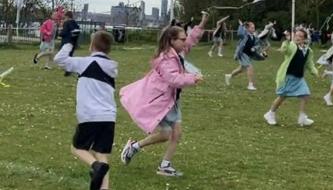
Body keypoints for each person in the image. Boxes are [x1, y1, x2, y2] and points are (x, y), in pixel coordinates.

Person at [119, 13, 208, 177]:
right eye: (181, 39)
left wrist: (201, 24)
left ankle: (156, 160)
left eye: (184, 38)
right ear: (171, 41)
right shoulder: (166, 59)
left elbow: (191, 41)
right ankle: (143, 152)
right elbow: (173, 79)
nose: (185, 41)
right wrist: (193, 78)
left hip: (172, 100)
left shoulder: (178, 52)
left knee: (173, 134)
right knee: (169, 134)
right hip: (161, 101)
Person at [53, 31, 118, 190]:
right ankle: (104, 187)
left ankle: (95, 166)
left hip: (90, 116)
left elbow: (59, 59)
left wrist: (69, 43)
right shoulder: (112, 66)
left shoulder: (85, 63)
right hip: (109, 116)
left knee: (77, 148)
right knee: (102, 153)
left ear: (91, 45)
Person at [263, 29, 319, 126]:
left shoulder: (308, 51)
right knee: (282, 96)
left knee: (305, 94)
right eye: (296, 35)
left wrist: (315, 72)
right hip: (288, 76)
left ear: (305, 39)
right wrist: (287, 41)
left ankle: (302, 117)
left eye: (300, 36)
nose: (297, 37)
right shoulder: (292, 46)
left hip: (299, 78)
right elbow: (285, 50)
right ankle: (270, 113)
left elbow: (310, 64)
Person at [225, 20, 263, 91]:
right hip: (242, 54)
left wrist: (254, 48)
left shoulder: (254, 37)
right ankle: (250, 85)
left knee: (241, 69)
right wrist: (241, 25)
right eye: (252, 28)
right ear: (247, 29)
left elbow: (257, 45)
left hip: (249, 55)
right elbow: (239, 33)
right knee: (250, 67)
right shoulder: (244, 35)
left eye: (254, 28)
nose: (253, 29)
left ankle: (229, 76)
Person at [59, 11, 81, 76]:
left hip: (66, 42)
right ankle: (68, 70)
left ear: (67, 16)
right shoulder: (75, 23)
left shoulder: (67, 23)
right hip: (73, 42)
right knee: (70, 56)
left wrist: (60, 33)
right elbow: (77, 32)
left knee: (63, 57)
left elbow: (64, 32)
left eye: (65, 16)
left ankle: (71, 69)